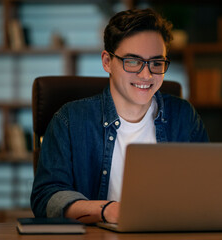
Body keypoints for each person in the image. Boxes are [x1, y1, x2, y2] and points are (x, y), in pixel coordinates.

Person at [31, 8, 209, 224]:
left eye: (156, 63)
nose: (146, 74)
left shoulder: (184, 116)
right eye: (133, 61)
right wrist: (107, 210)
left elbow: (205, 191)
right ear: (107, 62)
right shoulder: (68, 120)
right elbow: (46, 197)